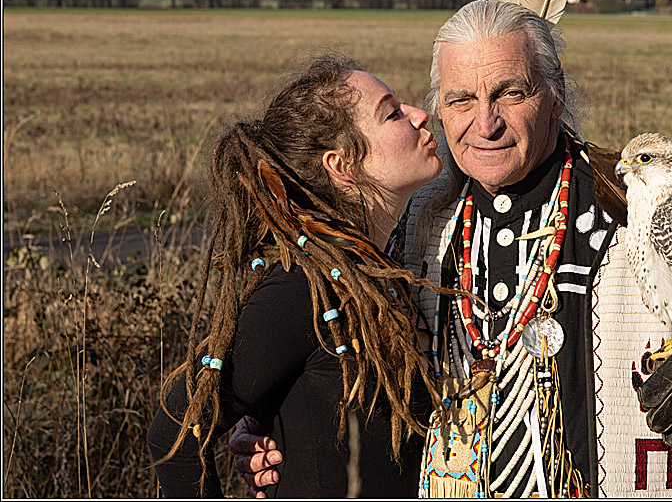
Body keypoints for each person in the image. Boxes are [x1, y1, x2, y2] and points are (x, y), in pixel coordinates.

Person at [233, 1, 672, 497]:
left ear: (555, 92)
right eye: (461, 100)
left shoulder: (651, 208)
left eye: (510, 93)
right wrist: (261, 427)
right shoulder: (413, 224)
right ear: (438, 108)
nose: (484, 123)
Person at [147, 53, 448, 497]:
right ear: (342, 165)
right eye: (392, 112)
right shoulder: (300, 288)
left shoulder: (382, 267)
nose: (421, 115)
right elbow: (174, 433)